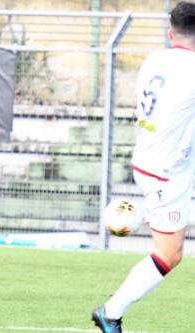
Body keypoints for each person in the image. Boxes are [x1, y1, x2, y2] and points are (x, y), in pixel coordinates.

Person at [92, 2, 195, 332]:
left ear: (170, 32)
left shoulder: (156, 60)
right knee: (169, 254)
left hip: (150, 159)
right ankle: (111, 312)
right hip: (168, 170)